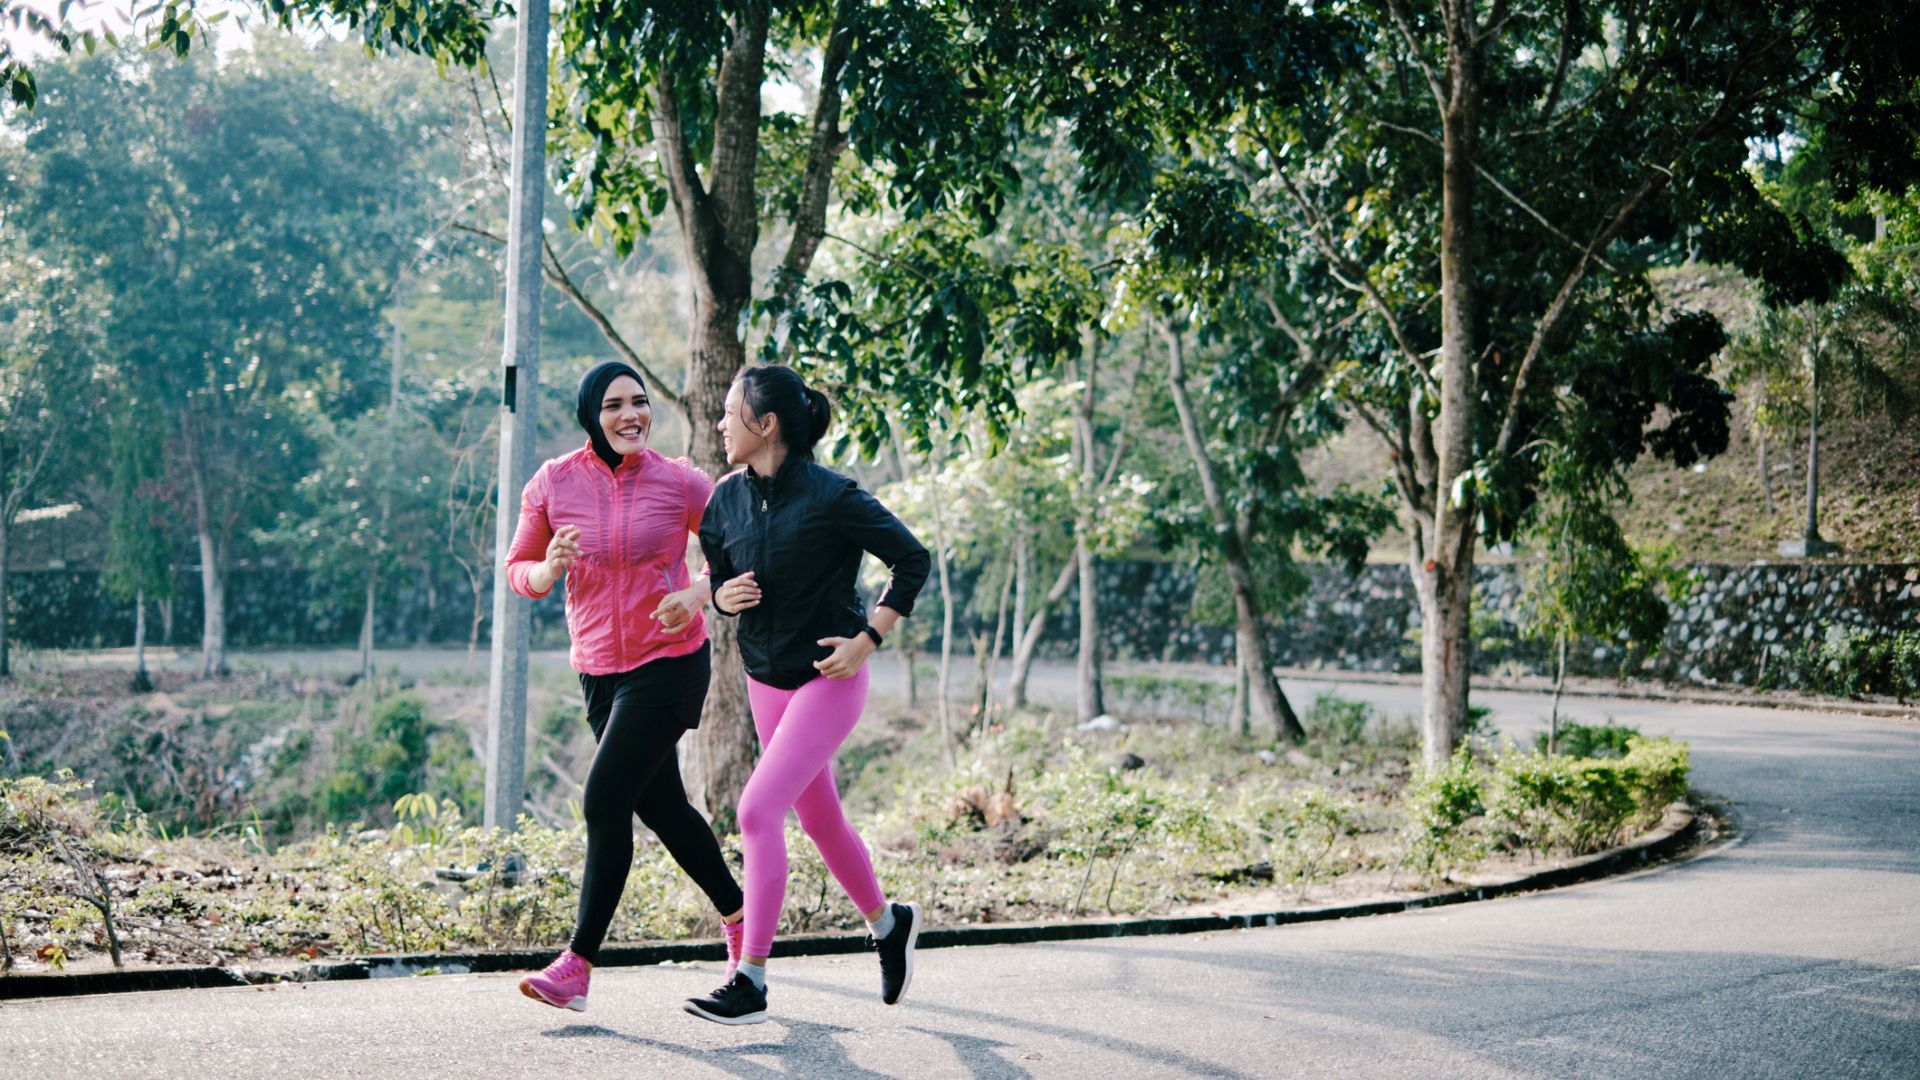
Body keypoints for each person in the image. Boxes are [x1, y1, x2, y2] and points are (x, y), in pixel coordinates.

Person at [681, 364, 932, 1026]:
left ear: (765, 426)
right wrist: (717, 594)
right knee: (818, 820)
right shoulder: (725, 500)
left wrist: (868, 640)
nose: (720, 423)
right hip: (765, 678)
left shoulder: (833, 497)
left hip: (830, 678)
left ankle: (752, 978)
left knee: (758, 810)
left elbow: (913, 560)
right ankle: (888, 924)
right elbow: (721, 572)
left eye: (730, 413)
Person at [507, 360, 746, 1012]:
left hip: (668, 661)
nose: (631, 415)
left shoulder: (681, 483)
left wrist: (697, 593)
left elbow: (733, 553)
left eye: (639, 402)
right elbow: (517, 568)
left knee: (605, 800)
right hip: (597, 672)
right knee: (662, 807)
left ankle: (577, 965)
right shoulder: (554, 482)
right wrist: (547, 569)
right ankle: (740, 918)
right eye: (614, 405)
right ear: (591, 414)